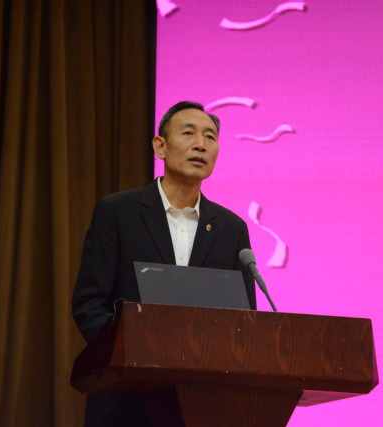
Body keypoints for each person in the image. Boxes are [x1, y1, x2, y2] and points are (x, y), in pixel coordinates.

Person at [72, 101, 257, 426]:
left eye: (210, 137)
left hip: (204, 404)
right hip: (125, 401)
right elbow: (90, 302)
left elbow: (244, 319)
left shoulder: (232, 228)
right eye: (188, 133)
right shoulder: (117, 213)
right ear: (160, 146)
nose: (200, 144)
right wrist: (128, 355)